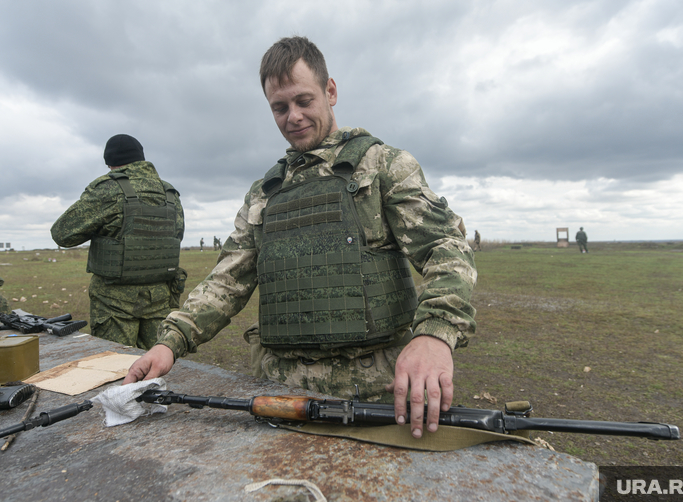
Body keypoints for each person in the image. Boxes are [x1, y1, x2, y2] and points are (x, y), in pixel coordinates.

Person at [125, 37, 477, 439]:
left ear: (331, 91)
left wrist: (434, 333)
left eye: (303, 101)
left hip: (375, 398)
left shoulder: (382, 166)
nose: (292, 116)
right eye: (279, 107)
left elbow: (447, 250)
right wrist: (170, 342)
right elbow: (226, 282)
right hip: (278, 395)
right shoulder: (265, 192)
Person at [51, 134, 187, 349]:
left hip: (114, 302)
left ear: (110, 163)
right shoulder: (169, 193)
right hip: (160, 298)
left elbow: (62, 234)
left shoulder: (108, 189)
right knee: (157, 367)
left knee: (115, 368)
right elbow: (177, 234)